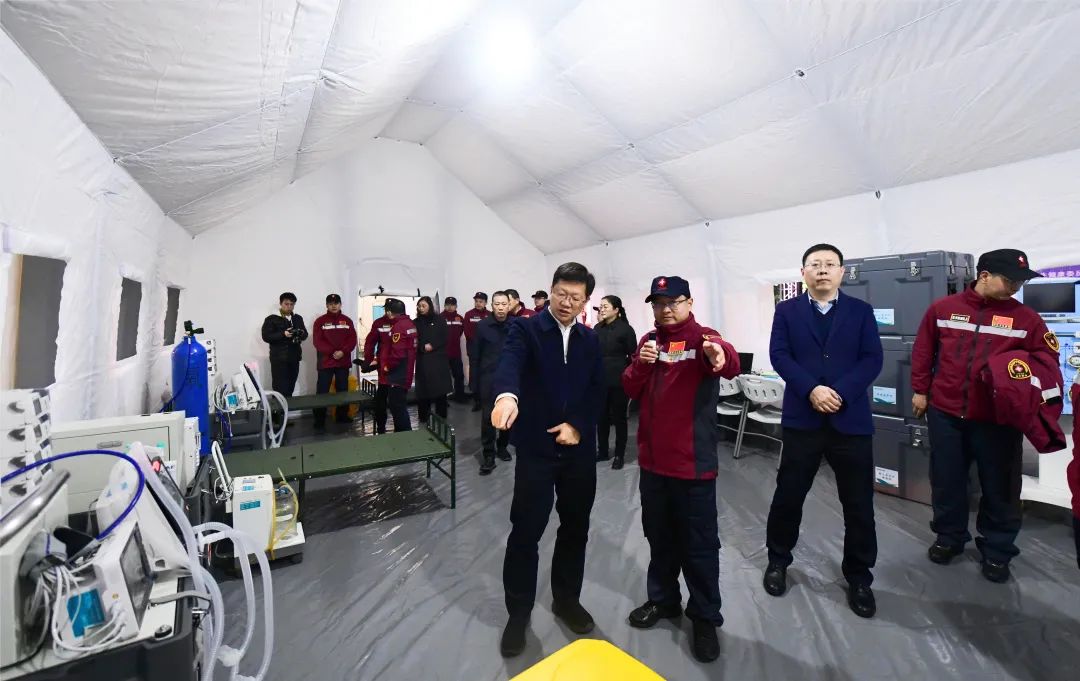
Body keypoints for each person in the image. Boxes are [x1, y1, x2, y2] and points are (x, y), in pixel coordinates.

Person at [911, 248, 1057, 583]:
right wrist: (920, 390)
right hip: (946, 412)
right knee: (947, 481)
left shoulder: (1027, 319)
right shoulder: (943, 309)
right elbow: (923, 350)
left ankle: (997, 550)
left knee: (1000, 486)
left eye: (1021, 281)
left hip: (998, 419)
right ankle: (949, 538)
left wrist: (1014, 375)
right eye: (1010, 280)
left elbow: (1047, 360)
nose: (1016, 287)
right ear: (984, 276)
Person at [621, 275, 740, 663]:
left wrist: (719, 355)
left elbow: (727, 360)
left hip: (692, 467)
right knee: (659, 538)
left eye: (673, 301)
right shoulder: (648, 342)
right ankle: (664, 600)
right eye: (659, 303)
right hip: (653, 465)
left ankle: (704, 617)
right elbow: (629, 387)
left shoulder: (704, 338)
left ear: (689, 303)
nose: (666, 309)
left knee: (699, 546)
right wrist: (641, 364)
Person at [490, 263, 605, 658]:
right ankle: (518, 614)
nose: (566, 303)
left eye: (575, 297)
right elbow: (509, 364)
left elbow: (597, 390)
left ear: (586, 301)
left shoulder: (591, 340)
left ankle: (566, 600)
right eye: (561, 294)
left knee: (576, 528)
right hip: (537, 450)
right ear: (550, 290)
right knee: (526, 531)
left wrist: (578, 425)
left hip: (578, 452)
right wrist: (507, 396)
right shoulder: (526, 330)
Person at [763, 244, 883, 619]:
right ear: (803, 272)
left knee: (859, 505)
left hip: (851, 422)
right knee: (788, 496)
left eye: (830, 264)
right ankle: (778, 561)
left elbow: (872, 359)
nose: (822, 270)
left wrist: (840, 393)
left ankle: (860, 577)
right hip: (804, 420)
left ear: (842, 272)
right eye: (814, 264)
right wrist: (811, 389)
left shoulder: (861, 311)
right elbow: (779, 355)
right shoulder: (787, 311)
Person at [360, 298, 416, 433]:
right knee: (384, 401)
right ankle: (382, 428)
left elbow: (398, 352)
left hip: (393, 370)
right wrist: (368, 360)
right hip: (389, 369)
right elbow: (370, 342)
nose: (386, 312)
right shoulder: (381, 323)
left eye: (388, 310)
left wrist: (387, 367)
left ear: (391, 311)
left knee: (397, 404)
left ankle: (403, 433)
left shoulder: (400, 326)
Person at [472, 291, 513, 474]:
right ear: (492, 306)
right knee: (488, 418)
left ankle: (502, 446)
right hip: (488, 378)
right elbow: (475, 355)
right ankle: (488, 454)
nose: (500, 308)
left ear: (509, 305)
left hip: (509, 378)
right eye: (497, 304)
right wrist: (474, 381)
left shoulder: (516, 325)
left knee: (508, 415)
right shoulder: (482, 326)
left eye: (504, 304)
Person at [594, 295, 636, 469]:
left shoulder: (626, 329)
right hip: (599, 380)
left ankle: (619, 454)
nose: (602, 309)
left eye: (605, 306)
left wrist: (629, 377)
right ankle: (603, 451)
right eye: (601, 306)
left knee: (619, 418)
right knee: (601, 417)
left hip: (619, 380)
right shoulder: (597, 328)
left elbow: (633, 355)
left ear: (616, 310)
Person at [311, 293, 358, 429]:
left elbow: (352, 339)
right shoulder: (320, 321)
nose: (333, 306)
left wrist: (343, 351)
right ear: (326, 305)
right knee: (322, 392)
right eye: (331, 304)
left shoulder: (347, 321)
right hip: (326, 362)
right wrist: (333, 352)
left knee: (342, 390)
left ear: (340, 304)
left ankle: (342, 416)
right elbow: (318, 341)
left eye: (336, 303)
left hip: (342, 361)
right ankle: (319, 420)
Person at [261, 292, 308, 398]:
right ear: (281, 303)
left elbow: (305, 335)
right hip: (279, 359)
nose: (289, 306)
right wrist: (283, 334)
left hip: (294, 358)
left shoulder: (297, 318)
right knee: (279, 388)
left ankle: (287, 408)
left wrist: (300, 333)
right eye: (286, 304)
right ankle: (278, 409)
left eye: (292, 304)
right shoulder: (271, 318)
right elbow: (266, 336)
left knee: (290, 387)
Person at [413, 296, 452, 424]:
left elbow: (444, 336)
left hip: (438, 359)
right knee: (423, 390)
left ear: (430, 306)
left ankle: (441, 416)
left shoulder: (440, 320)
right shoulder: (415, 322)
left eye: (423, 306)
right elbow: (413, 340)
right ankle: (424, 416)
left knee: (440, 389)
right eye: (419, 306)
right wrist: (422, 347)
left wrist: (433, 345)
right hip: (423, 359)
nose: (421, 308)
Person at [463, 292, 490, 412]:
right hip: (474, 350)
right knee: (475, 375)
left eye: (481, 301)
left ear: (485, 303)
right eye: (476, 301)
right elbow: (467, 332)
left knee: (486, 374)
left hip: (487, 351)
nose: (478, 303)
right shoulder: (469, 314)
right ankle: (477, 400)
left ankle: (487, 399)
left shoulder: (490, 315)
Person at [441, 297, 467, 402]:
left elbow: (460, 332)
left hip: (456, 353)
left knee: (459, 375)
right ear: (444, 306)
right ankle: (442, 400)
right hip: (443, 354)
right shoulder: (439, 318)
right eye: (447, 304)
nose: (450, 307)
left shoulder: (460, 318)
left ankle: (459, 396)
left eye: (452, 305)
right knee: (443, 377)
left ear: (456, 306)